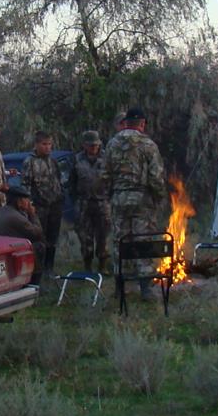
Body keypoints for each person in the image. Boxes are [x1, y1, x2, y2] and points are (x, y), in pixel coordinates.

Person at [102, 107, 166, 297]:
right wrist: (159, 196)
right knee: (142, 239)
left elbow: (104, 174)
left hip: (119, 198)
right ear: (142, 124)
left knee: (120, 240)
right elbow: (156, 176)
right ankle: (145, 287)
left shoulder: (112, 144)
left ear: (126, 122)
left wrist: (109, 195)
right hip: (142, 199)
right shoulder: (148, 144)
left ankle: (120, 285)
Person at [21, 131, 64, 281]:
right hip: (39, 207)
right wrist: (29, 206)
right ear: (37, 145)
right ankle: (37, 271)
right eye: (44, 144)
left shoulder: (53, 161)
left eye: (49, 144)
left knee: (53, 238)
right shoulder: (30, 162)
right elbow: (25, 185)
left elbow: (59, 181)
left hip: (55, 205)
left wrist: (60, 198)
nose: (47, 147)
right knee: (39, 238)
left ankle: (49, 268)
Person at [68, 130, 110, 271]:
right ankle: (88, 267)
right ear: (84, 145)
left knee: (103, 236)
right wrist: (76, 200)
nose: (94, 148)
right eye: (91, 145)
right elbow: (71, 182)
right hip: (83, 203)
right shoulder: (77, 159)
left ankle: (103, 266)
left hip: (102, 202)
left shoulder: (106, 158)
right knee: (85, 236)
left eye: (96, 145)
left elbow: (113, 179)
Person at [0, 185, 45, 283]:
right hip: (4, 254)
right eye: (26, 199)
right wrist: (32, 214)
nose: (29, 202)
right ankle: (33, 282)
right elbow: (37, 234)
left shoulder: (0, 211)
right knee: (39, 246)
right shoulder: (15, 217)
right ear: (19, 201)